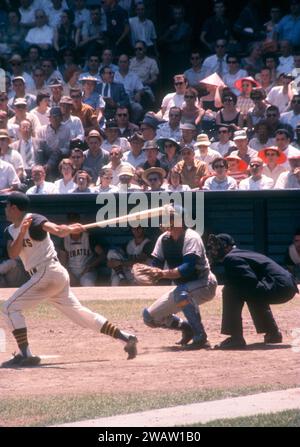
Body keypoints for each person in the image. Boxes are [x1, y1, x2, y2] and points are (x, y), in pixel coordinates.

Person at [1, 192, 138, 367]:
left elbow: (57, 230)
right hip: (48, 276)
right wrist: (22, 232)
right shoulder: (11, 230)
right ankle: (125, 337)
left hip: (48, 271)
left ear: (14, 208)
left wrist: (72, 228)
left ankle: (25, 353)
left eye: (7, 206)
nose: (5, 209)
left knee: (9, 308)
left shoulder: (34, 219)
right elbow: (13, 253)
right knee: (81, 315)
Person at [142, 206, 217, 350]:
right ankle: (187, 328)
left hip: (204, 283)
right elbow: (156, 263)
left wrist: (162, 274)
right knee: (149, 317)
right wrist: (150, 272)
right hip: (183, 289)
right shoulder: (163, 239)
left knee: (181, 293)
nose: (165, 221)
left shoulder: (191, 237)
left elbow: (187, 268)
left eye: (169, 217)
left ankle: (200, 337)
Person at [207, 233, 298, 349]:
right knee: (249, 291)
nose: (215, 250)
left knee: (230, 291)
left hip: (280, 287)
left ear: (228, 247)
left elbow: (249, 280)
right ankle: (272, 333)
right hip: (286, 286)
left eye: (217, 246)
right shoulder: (242, 253)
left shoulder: (231, 258)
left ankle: (235, 337)